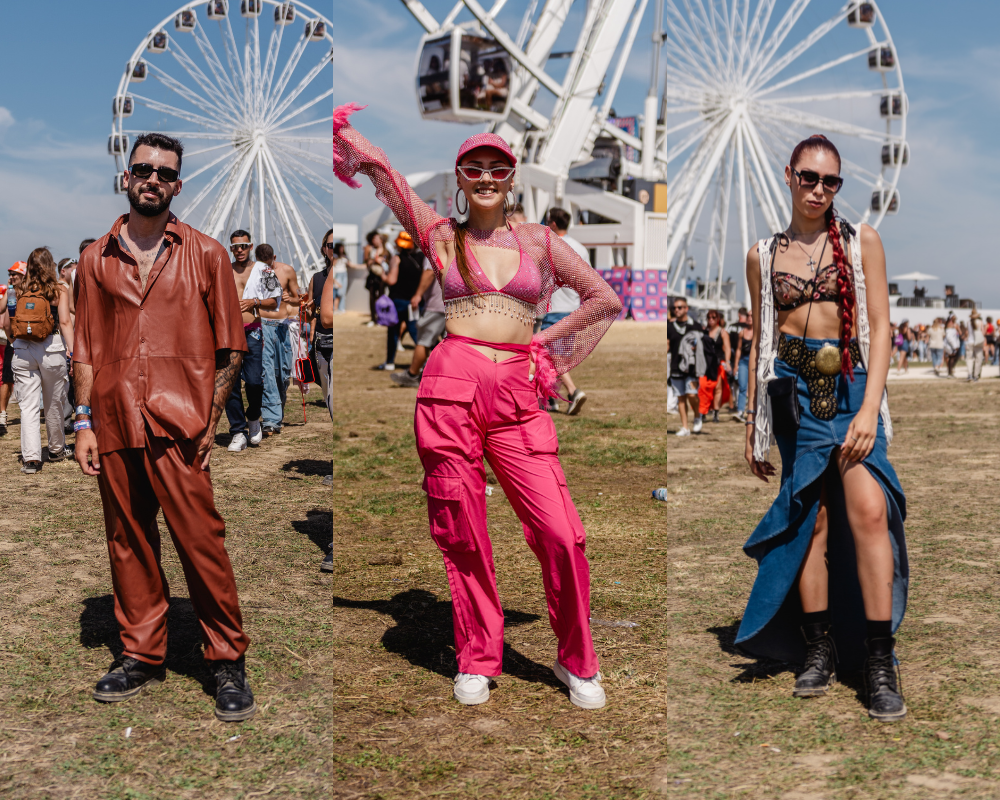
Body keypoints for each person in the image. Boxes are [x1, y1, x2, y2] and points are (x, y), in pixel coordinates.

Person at [332, 105, 621, 709]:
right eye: (474, 168)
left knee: (562, 534)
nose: (486, 177)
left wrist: (544, 346)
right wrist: (346, 137)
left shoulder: (543, 243)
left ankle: (577, 659)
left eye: (497, 167)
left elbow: (601, 298)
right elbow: (391, 181)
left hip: (518, 392)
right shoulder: (442, 237)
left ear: (512, 177)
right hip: (450, 388)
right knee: (463, 530)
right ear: (460, 179)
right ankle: (477, 655)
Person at [73, 132, 255, 721]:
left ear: (178, 185)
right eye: (143, 168)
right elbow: (84, 348)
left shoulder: (205, 253)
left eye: (164, 172)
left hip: (181, 420)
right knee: (127, 540)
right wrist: (82, 420)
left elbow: (231, 346)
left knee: (201, 541)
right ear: (127, 177)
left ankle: (226, 658)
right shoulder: (94, 258)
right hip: (114, 413)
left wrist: (211, 419)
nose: (152, 178)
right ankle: (141, 654)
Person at [739, 135, 907, 722]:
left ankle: (881, 660)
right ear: (789, 176)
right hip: (795, 392)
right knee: (809, 520)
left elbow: (882, 328)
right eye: (808, 177)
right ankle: (819, 648)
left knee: (867, 510)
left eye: (830, 181)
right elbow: (764, 336)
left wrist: (867, 411)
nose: (817, 190)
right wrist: (755, 421)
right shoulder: (762, 253)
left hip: (851, 382)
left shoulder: (863, 242)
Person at [7, 248, 73, 473]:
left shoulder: (19, 289)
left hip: (23, 348)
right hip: (51, 349)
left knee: (28, 406)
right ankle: (56, 449)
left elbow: (10, 320)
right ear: (50, 265)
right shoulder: (58, 290)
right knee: (54, 403)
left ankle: (31, 459)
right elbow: (64, 323)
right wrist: (72, 352)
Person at [225, 230, 280, 452]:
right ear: (231, 248)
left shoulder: (263, 269)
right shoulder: (223, 270)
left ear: (250, 246)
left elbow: (275, 299)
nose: (239, 250)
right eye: (235, 247)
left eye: (244, 246)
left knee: (255, 381)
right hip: (228, 331)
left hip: (253, 331)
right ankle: (238, 431)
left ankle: (254, 418)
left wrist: (254, 302)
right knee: (230, 383)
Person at [540, 208, 590, 415]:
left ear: (552, 224)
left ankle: (572, 391)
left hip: (554, 307)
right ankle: (552, 399)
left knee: (549, 356)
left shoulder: (550, 245)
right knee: (558, 356)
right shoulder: (581, 248)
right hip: (572, 308)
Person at [256, 243, 301, 435]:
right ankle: (270, 419)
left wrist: (292, 300)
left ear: (274, 258)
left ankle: (276, 414)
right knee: (267, 373)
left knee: (282, 374)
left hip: (282, 326)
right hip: (263, 325)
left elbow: (300, 298)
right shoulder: (254, 273)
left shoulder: (287, 270)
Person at [391, 255, 447, 388]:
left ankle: (412, 374)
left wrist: (418, 294)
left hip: (437, 303)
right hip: (456, 303)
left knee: (424, 339)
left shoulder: (435, 246)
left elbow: (429, 273)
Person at [377, 231, 423, 371]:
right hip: (414, 301)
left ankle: (390, 362)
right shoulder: (421, 257)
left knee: (393, 332)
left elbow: (392, 280)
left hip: (398, 300)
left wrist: (382, 274)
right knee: (416, 332)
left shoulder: (397, 258)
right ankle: (424, 362)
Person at [667, 297, 703, 436]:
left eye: (680, 307)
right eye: (675, 308)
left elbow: (702, 346)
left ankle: (697, 416)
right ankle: (685, 427)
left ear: (686, 309)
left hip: (691, 368)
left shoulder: (695, 325)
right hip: (675, 366)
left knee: (691, 395)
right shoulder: (670, 326)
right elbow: (668, 344)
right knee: (680, 397)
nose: (677, 310)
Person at [0, 262, 26, 435]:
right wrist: (10, 288)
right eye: (10, 274)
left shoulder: (31, 291)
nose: (11, 277)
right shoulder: (11, 292)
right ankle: (2, 415)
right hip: (13, 341)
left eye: (14, 274)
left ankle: (27, 413)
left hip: (27, 340)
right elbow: (1, 311)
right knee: (8, 378)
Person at [698, 310, 731, 423]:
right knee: (703, 387)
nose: (711, 319)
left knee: (717, 389)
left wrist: (727, 362)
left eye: (713, 317)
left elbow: (727, 348)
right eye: (709, 317)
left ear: (718, 319)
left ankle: (716, 413)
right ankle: (703, 411)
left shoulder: (722, 332)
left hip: (717, 364)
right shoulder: (703, 332)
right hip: (705, 364)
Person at [363, 230, 389, 327]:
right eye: (374, 238)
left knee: (381, 297)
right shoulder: (370, 249)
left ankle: (381, 318)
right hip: (372, 276)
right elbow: (366, 262)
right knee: (372, 297)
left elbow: (389, 261)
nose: (375, 240)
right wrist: (374, 260)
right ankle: (373, 318)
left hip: (382, 276)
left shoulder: (386, 249)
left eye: (377, 238)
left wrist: (381, 261)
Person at [330, 242, 358, 314]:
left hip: (344, 274)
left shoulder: (345, 256)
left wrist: (363, 265)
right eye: (340, 248)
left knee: (343, 292)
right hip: (338, 274)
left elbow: (351, 264)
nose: (342, 249)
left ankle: (341, 308)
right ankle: (335, 308)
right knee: (339, 292)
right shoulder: (335, 256)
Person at [968, 309, 985, 383]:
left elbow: (967, 332)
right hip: (978, 342)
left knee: (969, 359)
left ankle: (969, 374)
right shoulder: (980, 322)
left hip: (969, 342)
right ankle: (975, 375)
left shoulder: (968, 322)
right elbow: (983, 332)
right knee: (978, 359)